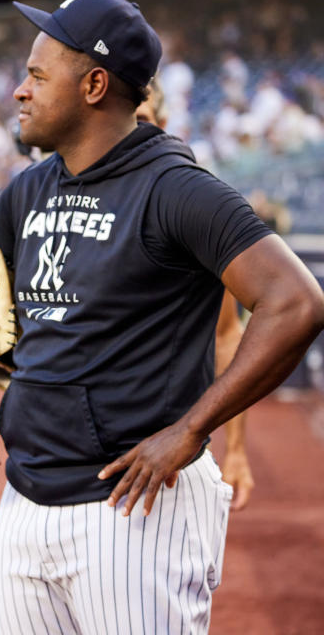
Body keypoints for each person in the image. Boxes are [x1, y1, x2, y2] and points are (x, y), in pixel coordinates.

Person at [0, 0, 324, 633]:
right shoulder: (27, 190)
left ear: (94, 86)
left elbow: (296, 301)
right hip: (27, 500)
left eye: (37, 76)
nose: (17, 91)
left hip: (137, 508)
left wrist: (194, 428)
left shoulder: (176, 187)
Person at [136, 79, 255, 511]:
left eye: (143, 121)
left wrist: (235, 448)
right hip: (55, 467)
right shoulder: (50, 197)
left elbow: (226, 336)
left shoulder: (189, 205)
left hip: (162, 466)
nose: (130, 132)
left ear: (164, 124)